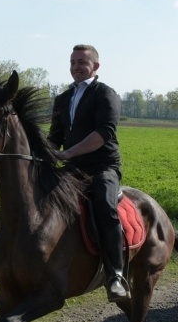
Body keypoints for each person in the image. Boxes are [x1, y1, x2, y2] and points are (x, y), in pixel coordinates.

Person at [47, 44, 129, 302]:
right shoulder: (63, 99)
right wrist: (41, 155)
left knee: (105, 207)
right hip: (72, 169)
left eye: (82, 61)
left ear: (95, 66)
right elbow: (55, 138)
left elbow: (104, 134)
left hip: (102, 167)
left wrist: (69, 153)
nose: (76, 66)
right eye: (72, 62)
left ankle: (115, 274)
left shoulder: (106, 94)